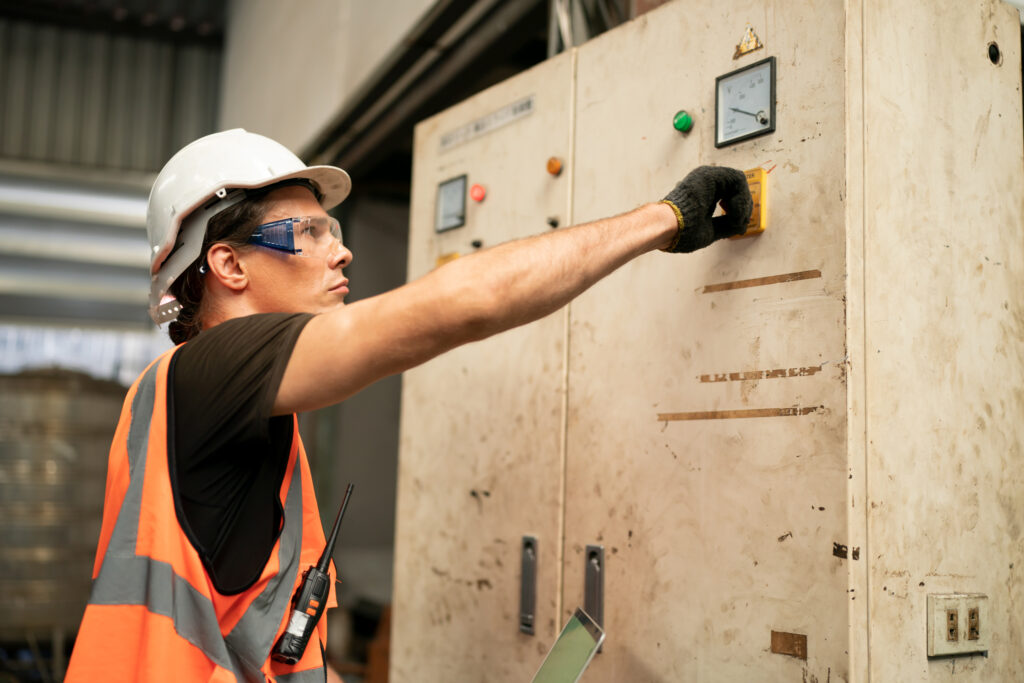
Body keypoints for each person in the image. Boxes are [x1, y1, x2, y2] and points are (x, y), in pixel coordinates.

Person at [65, 129, 752, 682]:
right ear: (229, 266)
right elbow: (466, 301)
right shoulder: (210, 372)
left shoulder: (222, 409)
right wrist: (664, 219)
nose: (342, 250)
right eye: (310, 232)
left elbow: (264, 644)